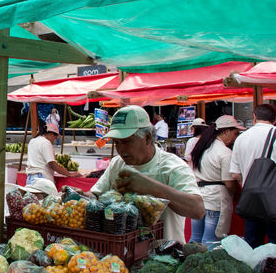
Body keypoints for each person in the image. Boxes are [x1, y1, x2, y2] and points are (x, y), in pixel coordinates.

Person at [85, 105, 204, 244]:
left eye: (126, 141)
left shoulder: (172, 167)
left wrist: (150, 187)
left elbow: (198, 210)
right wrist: (80, 195)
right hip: (122, 256)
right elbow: (97, 194)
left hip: (164, 258)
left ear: (147, 138)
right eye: (116, 143)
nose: (120, 149)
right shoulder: (117, 164)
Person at [189, 116, 243, 247]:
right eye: (235, 133)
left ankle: (187, 264)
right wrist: (238, 193)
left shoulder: (201, 148)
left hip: (198, 197)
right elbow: (229, 183)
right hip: (215, 200)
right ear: (225, 132)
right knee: (210, 242)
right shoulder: (224, 152)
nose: (235, 137)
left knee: (195, 239)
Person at [230, 103, 276, 247]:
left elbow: (235, 174)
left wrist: (250, 184)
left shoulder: (241, 138)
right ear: (274, 120)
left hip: (250, 200)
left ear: (254, 117)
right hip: (273, 201)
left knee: (252, 245)